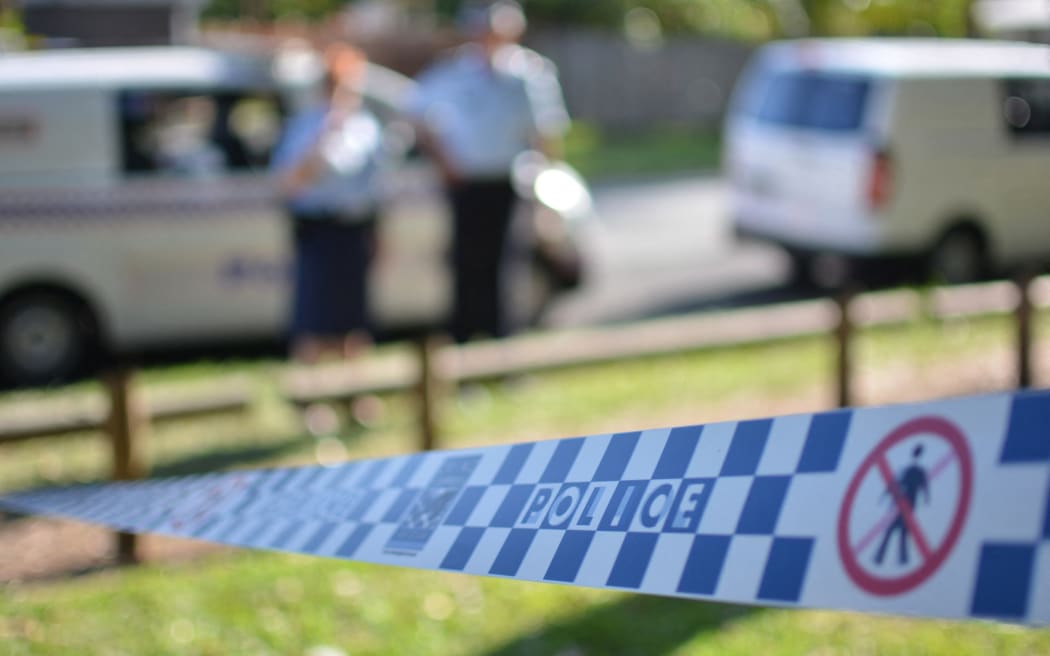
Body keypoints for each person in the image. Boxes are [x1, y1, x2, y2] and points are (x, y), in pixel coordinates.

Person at [406, 0, 570, 343]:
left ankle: (502, 349)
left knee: (507, 269)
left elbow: (546, 133)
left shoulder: (529, 73)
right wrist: (443, 161)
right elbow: (416, 113)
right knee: (467, 268)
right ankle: (465, 348)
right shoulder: (453, 71)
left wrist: (546, 187)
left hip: (508, 182)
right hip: (466, 183)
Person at [271, 45, 384, 363]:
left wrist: (378, 233)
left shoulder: (365, 128)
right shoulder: (305, 126)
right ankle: (312, 394)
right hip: (319, 229)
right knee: (315, 315)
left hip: (354, 228)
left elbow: (373, 188)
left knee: (352, 317)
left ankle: (354, 390)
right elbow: (289, 182)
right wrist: (323, 138)